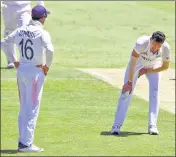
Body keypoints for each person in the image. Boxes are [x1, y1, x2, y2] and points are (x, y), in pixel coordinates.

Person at [1, 5, 54, 152]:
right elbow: (50, 50)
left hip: (22, 71)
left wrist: (13, 60)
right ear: (42, 18)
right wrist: (47, 66)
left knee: (24, 107)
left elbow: (4, 43)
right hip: (35, 72)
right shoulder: (42, 33)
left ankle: (22, 141)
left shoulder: (20, 30)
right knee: (32, 109)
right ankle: (26, 144)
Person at [111, 31, 171, 135]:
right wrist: (129, 83)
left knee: (155, 91)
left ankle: (152, 126)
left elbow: (165, 67)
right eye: (153, 44)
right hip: (137, 65)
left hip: (153, 66)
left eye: (158, 46)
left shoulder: (166, 48)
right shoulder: (141, 43)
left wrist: (148, 71)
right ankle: (116, 126)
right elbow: (133, 63)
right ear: (150, 40)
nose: (155, 48)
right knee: (126, 92)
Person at [1, 1, 45, 68]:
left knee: (26, 33)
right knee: (9, 32)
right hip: (7, 6)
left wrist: (41, 4)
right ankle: (12, 60)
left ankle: (29, 60)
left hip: (24, 6)